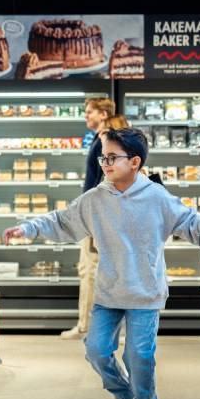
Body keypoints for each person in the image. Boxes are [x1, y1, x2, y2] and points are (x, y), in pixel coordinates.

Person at [5, 128, 200, 399]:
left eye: (113, 157)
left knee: (139, 356)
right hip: (109, 292)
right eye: (104, 157)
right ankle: (126, 397)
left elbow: (190, 223)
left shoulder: (157, 197)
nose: (105, 163)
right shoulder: (96, 199)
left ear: (135, 162)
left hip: (145, 291)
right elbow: (63, 221)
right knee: (97, 351)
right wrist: (27, 228)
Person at [60, 97, 116, 340]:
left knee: (90, 270)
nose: (86, 117)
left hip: (96, 215)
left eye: (89, 112)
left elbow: (106, 179)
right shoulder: (101, 138)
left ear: (103, 114)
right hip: (97, 213)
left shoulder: (106, 139)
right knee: (94, 270)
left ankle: (87, 327)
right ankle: (92, 326)